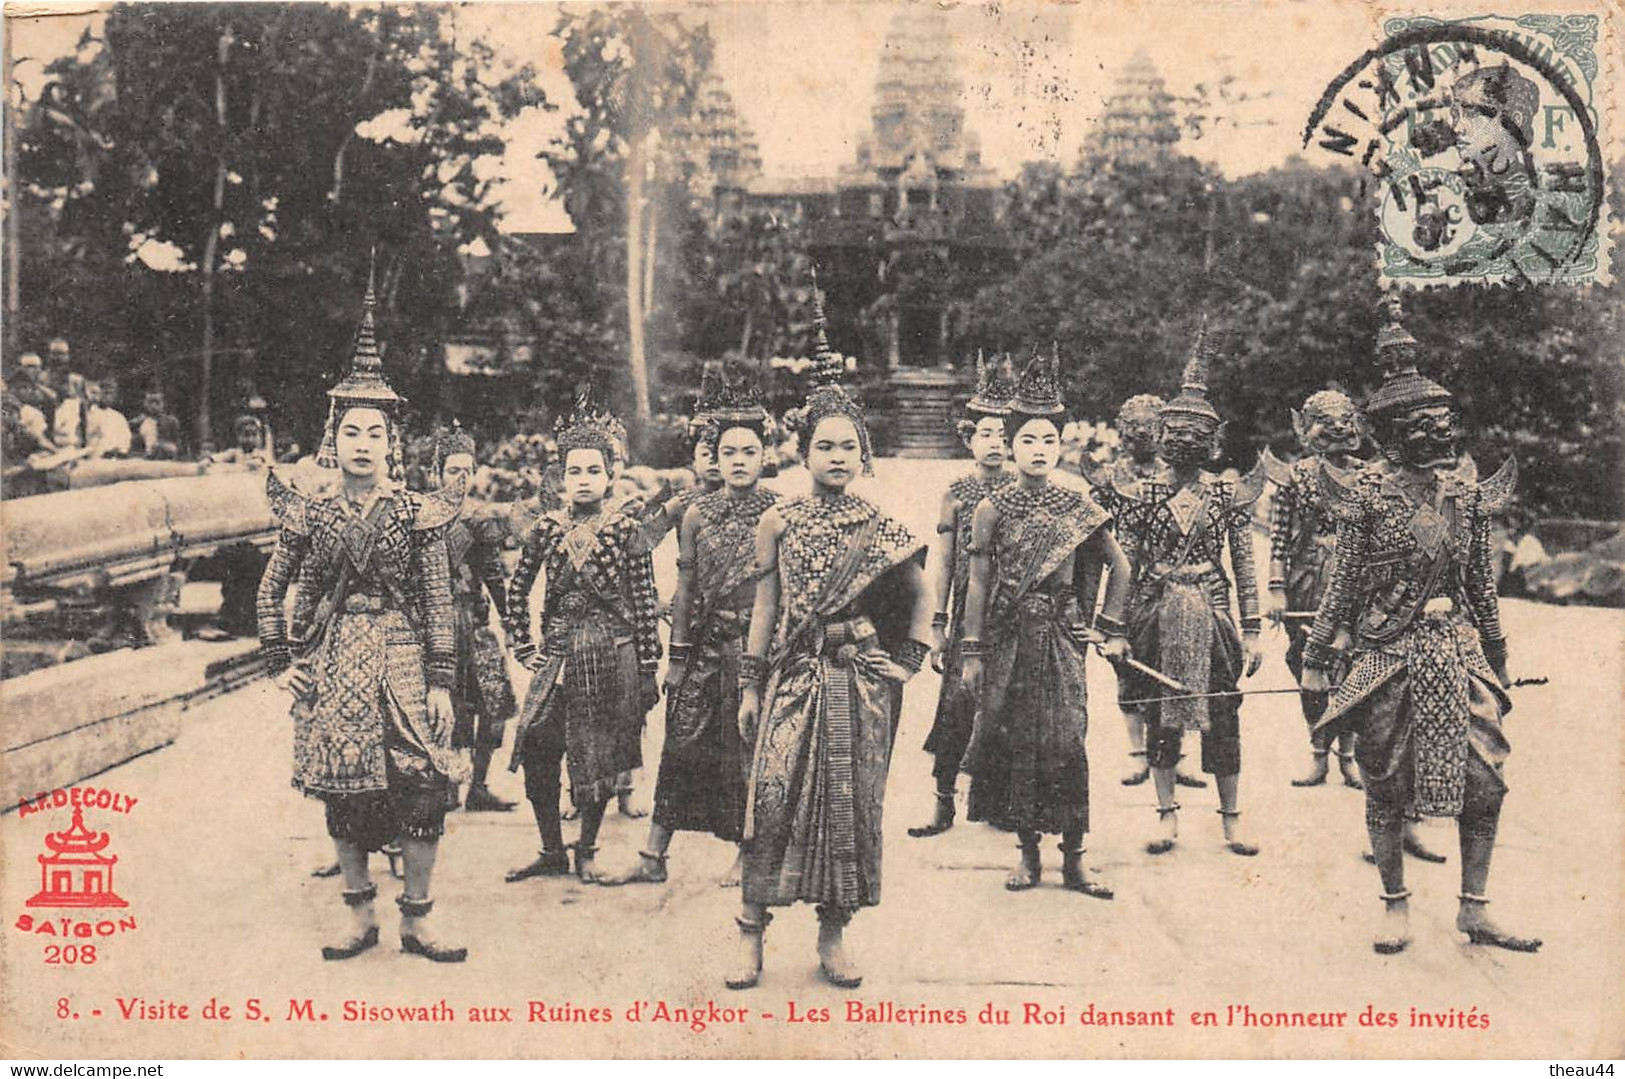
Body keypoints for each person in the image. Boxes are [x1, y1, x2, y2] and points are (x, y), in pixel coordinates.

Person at [1302, 299, 1537, 955]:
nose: (1441, 433)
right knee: (1384, 781)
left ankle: (1474, 905)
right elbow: (1341, 582)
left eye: (1445, 422)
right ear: (1391, 434)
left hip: (1457, 651)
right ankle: (1393, 903)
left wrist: (1497, 652)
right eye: (1425, 425)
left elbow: (1481, 583)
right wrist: (1316, 656)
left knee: (1485, 780)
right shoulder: (1366, 493)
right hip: (1385, 653)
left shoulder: (1464, 491)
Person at [256, 275, 470, 963]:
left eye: (374, 431)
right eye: (350, 429)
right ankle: (359, 917)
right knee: (342, 788)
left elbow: (439, 599)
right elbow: (272, 590)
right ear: (333, 435)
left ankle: (418, 917)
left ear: (391, 442)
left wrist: (441, 679)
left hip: (406, 655)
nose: (362, 442)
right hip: (337, 656)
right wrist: (280, 662)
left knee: (424, 785)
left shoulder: (417, 513)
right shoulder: (313, 512)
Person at [727, 293, 933, 991]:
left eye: (848, 445)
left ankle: (833, 933)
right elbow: (765, 607)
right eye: (825, 445)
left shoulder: (879, 522)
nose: (837, 455)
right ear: (802, 450)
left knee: (848, 805)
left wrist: (907, 659)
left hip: (857, 682)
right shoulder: (777, 521)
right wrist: (751, 683)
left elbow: (919, 593)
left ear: (862, 451)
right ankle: (750, 935)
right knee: (773, 795)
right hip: (793, 674)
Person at [957, 347, 1134, 898]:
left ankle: (1076, 859)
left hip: (1061, 641)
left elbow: (1120, 566)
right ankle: (1028, 855)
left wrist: (1106, 627)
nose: (1038, 450)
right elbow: (979, 583)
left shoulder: (1077, 505)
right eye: (1027, 439)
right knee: (1016, 745)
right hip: (1009, 639)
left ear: (1063, 446)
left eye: (1048, 440)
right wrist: (970, 650)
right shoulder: (992, 508)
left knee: (1067, 743)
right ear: (1009, 445)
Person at [612, 364, 777, 887]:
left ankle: (747, 854)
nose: (738, 461)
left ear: (765, 455)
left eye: (748, 452)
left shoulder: (781, 512)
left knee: (748, 750)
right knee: (680, 744)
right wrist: (676, 658)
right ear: (712, 457)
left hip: (758, 649)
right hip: (704, 645)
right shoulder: (695, 514)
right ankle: (653, 855)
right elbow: (684, 589)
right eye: (727, 452)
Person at [1115, 322, 1266, 857]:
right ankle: (1166, 816)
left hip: (1215, 611)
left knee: (1224, 716)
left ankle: (1230, 820)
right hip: (1155, 610)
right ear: (1159, 436)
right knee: (1161, 715)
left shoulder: (1226, 495)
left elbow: (1244, 565)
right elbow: (1127, 563)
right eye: (1174, 434)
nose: (1184, 443)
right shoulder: (1143, 492)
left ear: (1214, 442)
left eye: (1197, 436)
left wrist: (1252, 630)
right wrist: (1118, 628)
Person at [503, 387, 662, 885]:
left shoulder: (625, 528)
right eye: (575, 471)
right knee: (535, 746)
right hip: (557, 653)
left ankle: (587, 848)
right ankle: (552, 849)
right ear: (560, 477)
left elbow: (643, 598)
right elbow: (517, 586)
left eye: (594, 470)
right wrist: (522, 641)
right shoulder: (546, 529)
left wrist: (650, 668)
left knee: (597, 756)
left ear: (612, 474)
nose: (585, 480)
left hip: (611, 653)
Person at [907, 350, 1015, 839]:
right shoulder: (956, 493)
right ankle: (942, 802)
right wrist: (936, 623)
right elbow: (944, 564)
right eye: (986, 434)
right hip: (965, 624)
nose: (996, 443)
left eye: (1004, 435)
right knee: (955, 706)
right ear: (969, 439)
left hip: (1010, 618)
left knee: (1007, 706)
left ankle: (997, 801)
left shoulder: (1022, 490)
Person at [1089, 393, 1207, 791]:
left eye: (1149, 426)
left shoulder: (1175, 477)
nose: (1141, 433)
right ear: (1122, 430)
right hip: (1124, 582)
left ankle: (1177, 755)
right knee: (1126, 668)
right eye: (1133, 425)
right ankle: (1137, 751)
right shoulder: (1108, 478)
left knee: (1177, 661)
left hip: (1166, 582)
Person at [1264, 389, 1369, 790]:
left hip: (1357, 581)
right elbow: (1277, 538)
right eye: (1324, 421)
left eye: (1344, 419)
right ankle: (1318, 752)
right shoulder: (1295, 475)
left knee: (1355, 667)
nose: (1337, 428)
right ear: (1306, 429)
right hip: (1306, 580)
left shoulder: (1369, 477)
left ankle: (1348, 755)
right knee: (1309, 666)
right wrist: (1276, 589)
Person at [434, 421, 519, 813]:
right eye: (453, 470)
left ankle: (479, 786)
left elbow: (494, 576)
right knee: (444, 705)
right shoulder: (423, 517)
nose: (461, 478)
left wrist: (511, 621)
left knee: (494, 702)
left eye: (468, 470)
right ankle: (447, 784)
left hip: (475, 619)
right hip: (437, 628)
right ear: (437, 473)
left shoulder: (480, 519)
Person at [133, 391, 182, 459]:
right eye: (150, 403)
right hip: (144, 456)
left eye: (157, 403)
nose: (153, 406)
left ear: (163, 404)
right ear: (145, 404)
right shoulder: (138, 421)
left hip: (165, 453)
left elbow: (177, 442)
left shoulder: (171, 421)